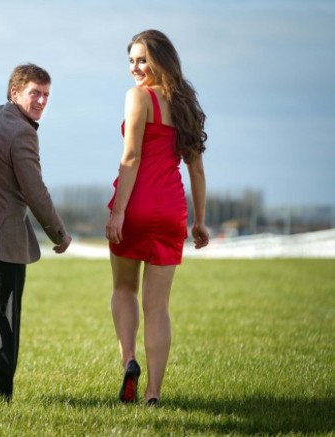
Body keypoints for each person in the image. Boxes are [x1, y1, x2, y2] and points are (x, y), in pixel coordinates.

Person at [0, 63, 72, 402]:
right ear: (15, 92)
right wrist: (59, 234)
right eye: (35, 93)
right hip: (1, 240)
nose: (41, 101)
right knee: (4, 317)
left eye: (46, 95)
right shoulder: (23, 132)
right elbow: (34, 191)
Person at [105, 29, 210, 406]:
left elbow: (131, 157)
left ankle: (129, 361)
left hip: (135, 205)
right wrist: (199, 220)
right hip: (171, 211)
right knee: (158, 307)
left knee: (123, 289)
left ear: (160, 60)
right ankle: (153, 393)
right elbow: (196, 171)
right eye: (131, 60)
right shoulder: (185, 105)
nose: (135, 67)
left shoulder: (138, 97)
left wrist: (118, 212)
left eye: (142, 59)